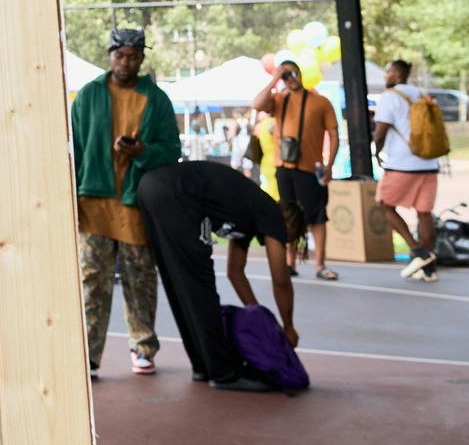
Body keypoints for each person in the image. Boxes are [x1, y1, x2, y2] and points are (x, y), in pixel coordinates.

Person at [137, 159, 304, 392]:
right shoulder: (272, 212)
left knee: (180, 283)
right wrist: (288, 326)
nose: (287, 243)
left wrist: (258, 316)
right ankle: (223, 373)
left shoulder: (248, 214)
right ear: (290, 223)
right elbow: (281, 278)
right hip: (177, 193)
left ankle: (203, 365)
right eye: (292, 238)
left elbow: (235, 272)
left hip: (150, 189)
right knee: (200, 283)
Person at [70, 27, 181, 377]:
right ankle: (88, 353)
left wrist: (143, 152)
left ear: (142, 58)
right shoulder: (87, 96)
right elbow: (71, 149)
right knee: (92, 280)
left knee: (140, 279)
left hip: (135, 203)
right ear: (109, 55)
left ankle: (143, 347)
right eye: (120, 55)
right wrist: (69, 195)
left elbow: (172, 151)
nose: (126, 62)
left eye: (133, 56)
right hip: (94, 203)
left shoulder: (157, 99)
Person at [252, 59, 339, 280]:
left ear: (301, 74)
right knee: (289, 216)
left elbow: (334, 134)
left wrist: (329, 165)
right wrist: (275, 79)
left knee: (316, 216)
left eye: (293, 73)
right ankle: (290, 262)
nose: (290, 78)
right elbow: (257, 104)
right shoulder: (279, 99)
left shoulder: (320, 102)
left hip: (310, 168)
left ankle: (320, 264)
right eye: (286, 75)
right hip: (284, 167)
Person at [372, 59, 440, 282]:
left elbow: (380, 131)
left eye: (387, 72)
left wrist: (377, 152)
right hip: (429, 163)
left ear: (395, 74)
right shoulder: (421, 94)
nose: (386, 77)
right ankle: (429, 268)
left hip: (402, 163)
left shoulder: (390, 97)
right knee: (424, 213)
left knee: (385, 204)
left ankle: (417, 250)